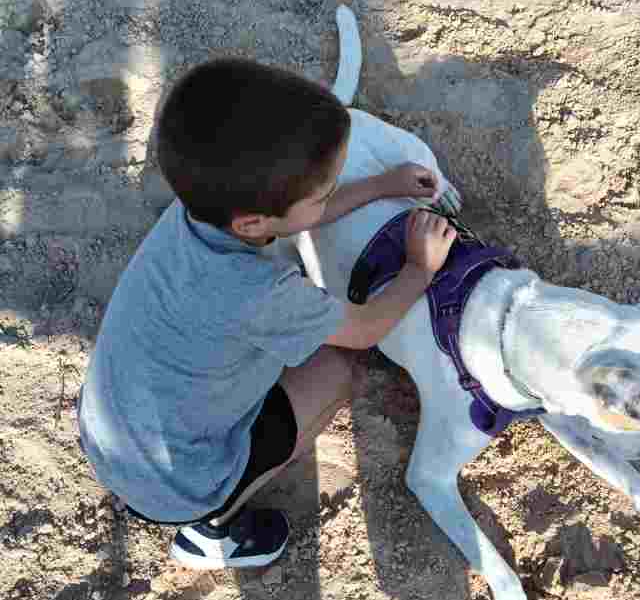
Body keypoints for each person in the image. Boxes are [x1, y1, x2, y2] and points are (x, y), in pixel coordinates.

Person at [77, 56, 457, 570]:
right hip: (178, 485)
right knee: (336, 371)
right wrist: (420, 268)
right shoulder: (262, 293)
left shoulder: (194, 211)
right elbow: (366, 330)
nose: (329, 194)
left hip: (109, 432)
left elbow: (288, 220)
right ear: (253, 220)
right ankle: (211, 533)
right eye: (323, 192)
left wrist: (381, 185)